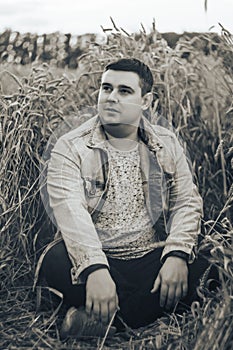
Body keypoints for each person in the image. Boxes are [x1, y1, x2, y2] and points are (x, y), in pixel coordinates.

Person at [36, 58, 212, 339]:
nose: (111, 98)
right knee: (56, 260)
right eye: (106, 88)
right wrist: (94, 268)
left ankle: (105, 320)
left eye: (124, 91)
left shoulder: (166, 142)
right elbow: (70, 212)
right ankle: (145, 311)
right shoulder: (71, 146)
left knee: (209, 271)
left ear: (146, 100)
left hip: (151, 257)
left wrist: (177, 254)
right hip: (101, 257)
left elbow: (187, 202)